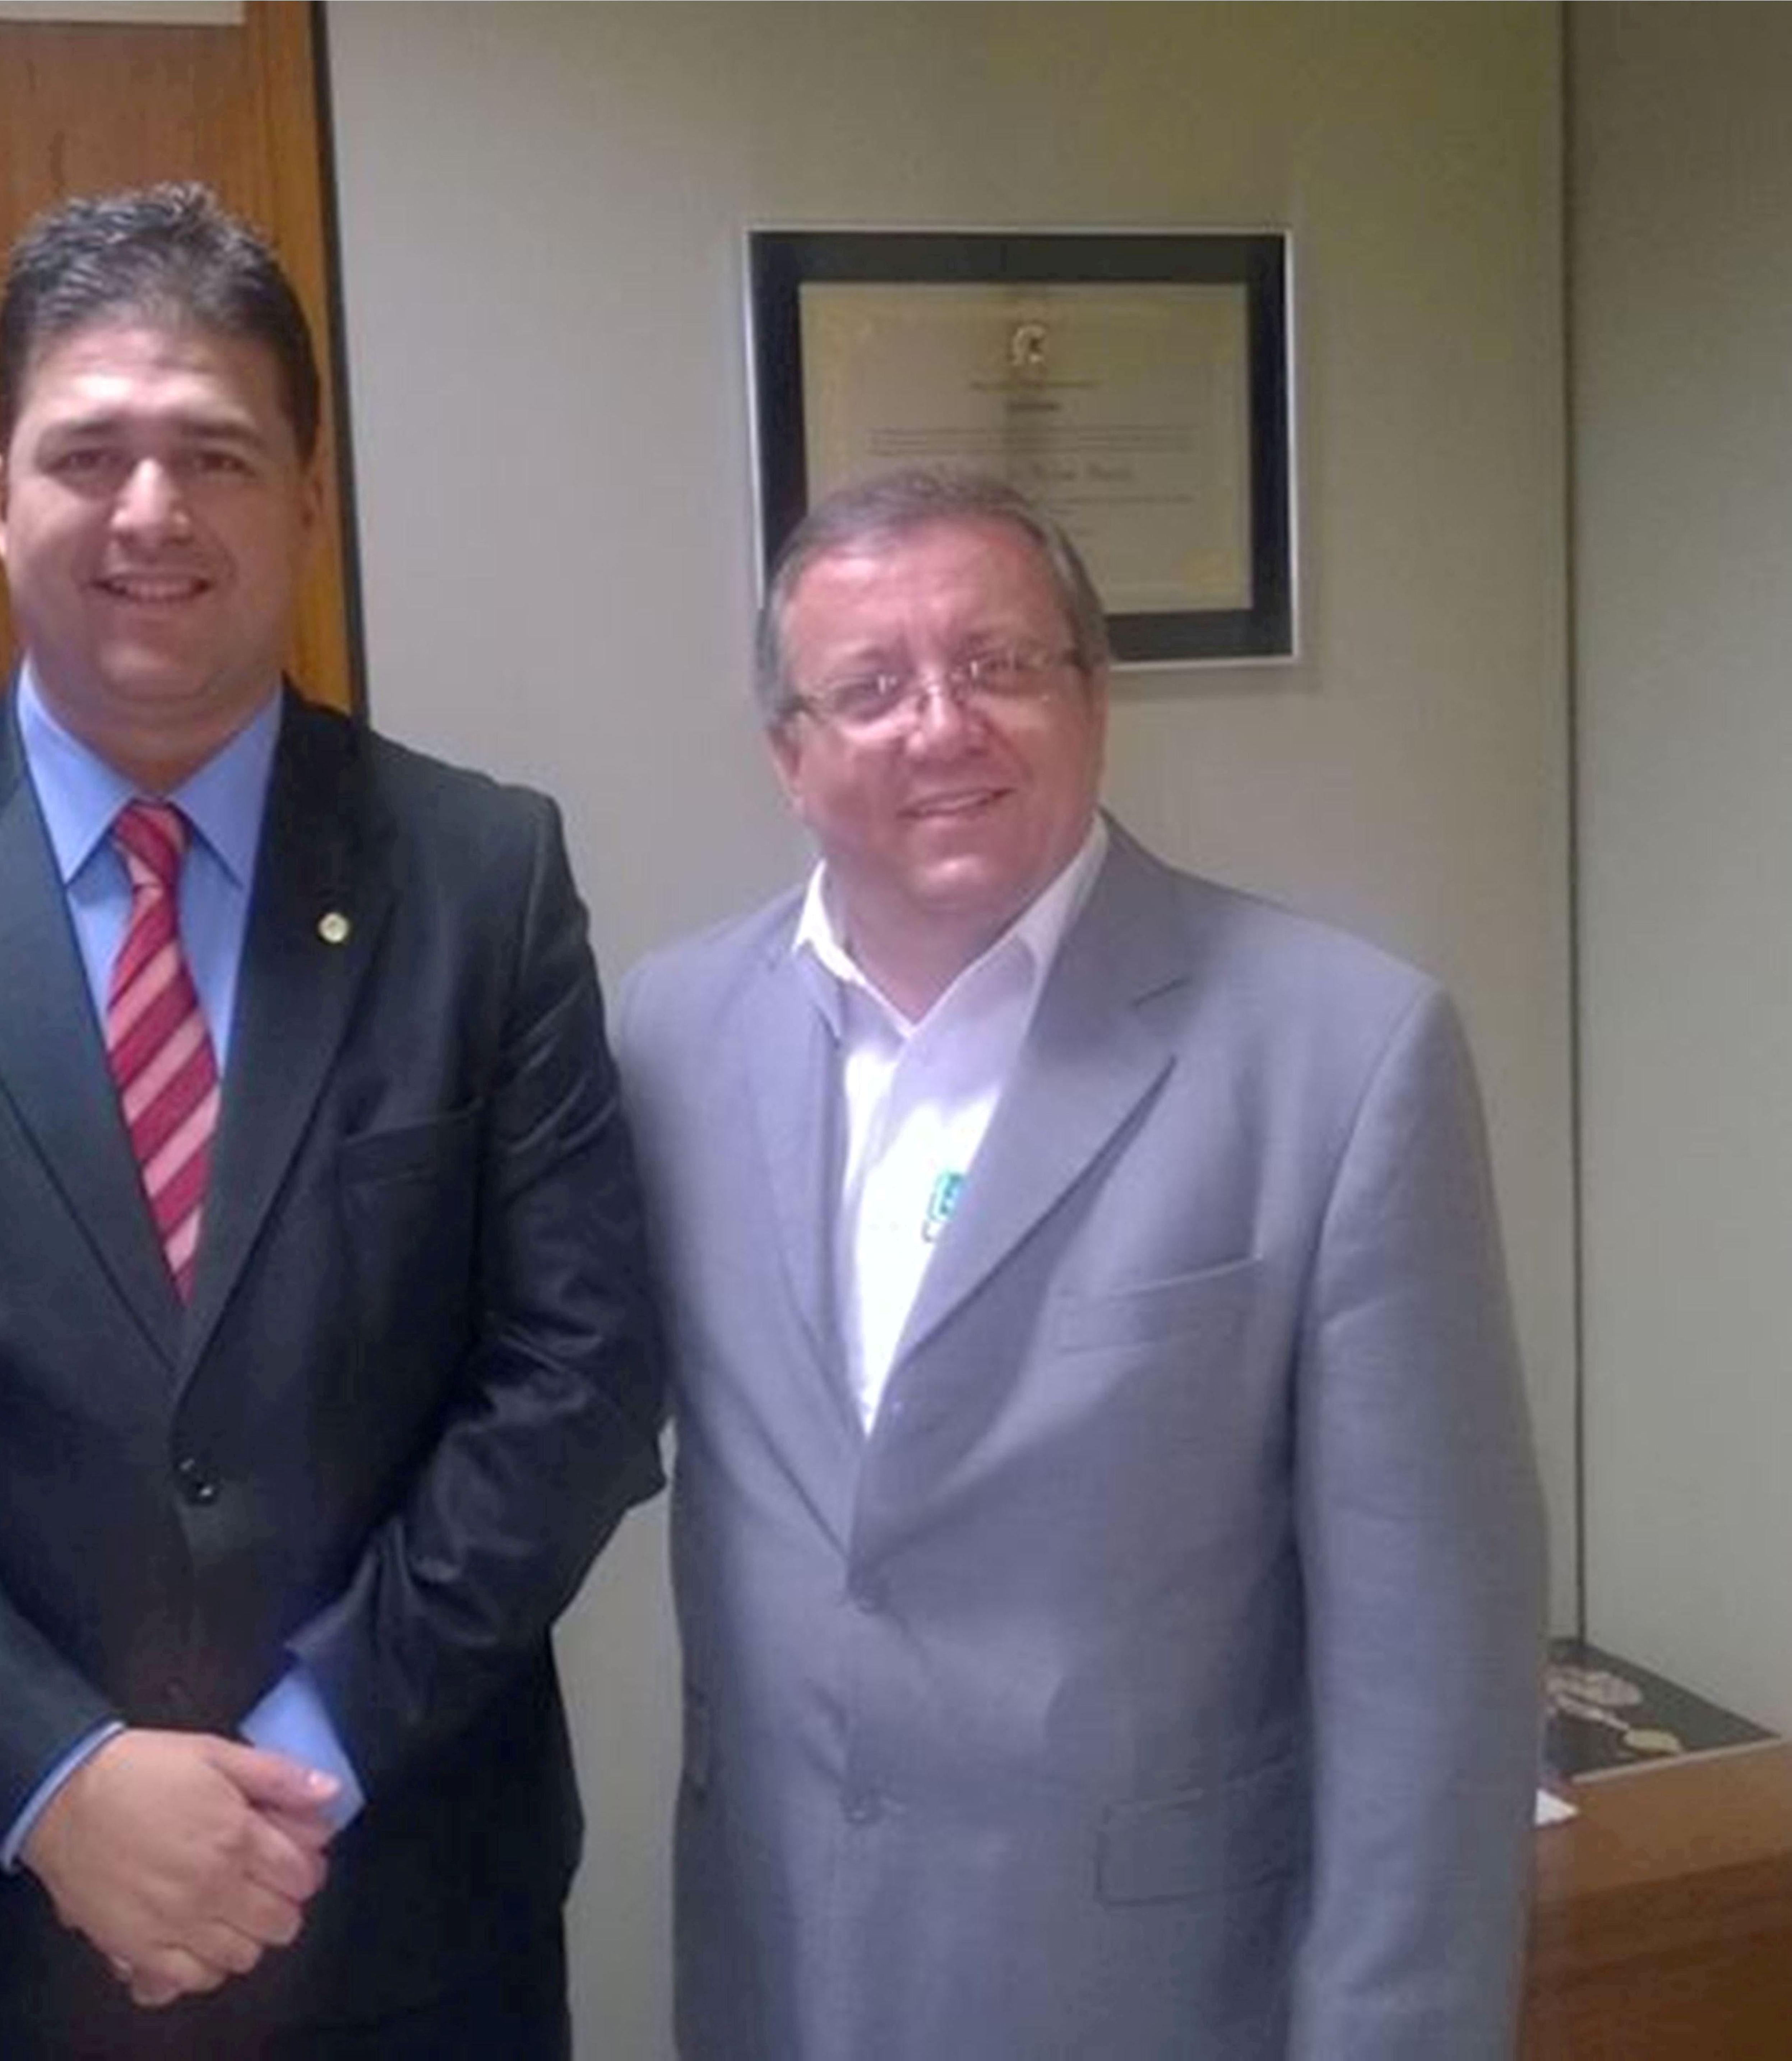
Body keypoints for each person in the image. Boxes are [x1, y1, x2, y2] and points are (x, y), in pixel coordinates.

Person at [0, 182, 663, 2060]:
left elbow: (577, 1374)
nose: (152, 510)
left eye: (216, 453)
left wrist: (308, 1752)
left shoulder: (483, 874)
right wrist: (55, 1775)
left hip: (401, 1900)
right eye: (89, 452)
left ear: (308, 501)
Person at [615, 470, 1546, 2060]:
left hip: (1157, 1994)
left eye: (999, 664)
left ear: (1095, 699)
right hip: (785, 1971)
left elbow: (1434, 1673)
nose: (942, 725)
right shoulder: (670, 1034)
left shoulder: (1341, 1056)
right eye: (871, 688)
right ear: (789, 753)